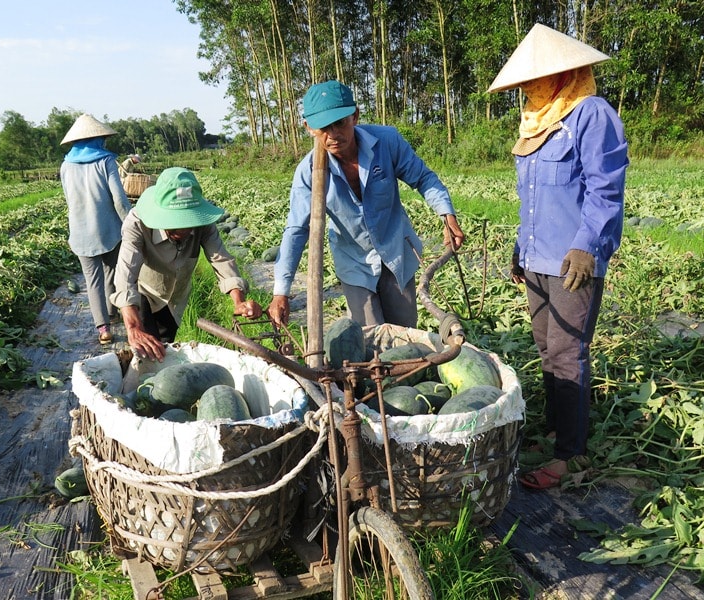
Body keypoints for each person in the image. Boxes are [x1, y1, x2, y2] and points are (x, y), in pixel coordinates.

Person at [487, 24, 628, 490]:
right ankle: (553, 429)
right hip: (536, 261)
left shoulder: (591, 114)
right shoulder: (536, 121)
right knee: (547, 348)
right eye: (527, 82)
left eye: (538, 78)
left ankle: (573, 454)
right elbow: (532, 200)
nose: (530, 88)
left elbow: (605, 190)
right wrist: (519, 250)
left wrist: (587, 244)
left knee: (568, 353)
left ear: (567, 73)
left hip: (572, 265)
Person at [267, 80, 465, 330]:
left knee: (405, 332)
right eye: (323, 128)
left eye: (340, 123)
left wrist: (447, 215)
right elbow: (296, 230)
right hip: (355, 262)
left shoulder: (386, 141)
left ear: (355, 116)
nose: (333, 134)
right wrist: (281, 291)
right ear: (309, 128)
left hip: (397, 252)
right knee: (370, 338)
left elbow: (423, 178)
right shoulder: (308, 173)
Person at [110, 167, 262, 361]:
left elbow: (220, 258)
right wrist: (132, 327)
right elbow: (125, 273)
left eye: (186, 224)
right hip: (144, 291)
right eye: (173, 225)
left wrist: (239, 301)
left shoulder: (204, 224)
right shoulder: (137, 223)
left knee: (165, 346)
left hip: (176, 295)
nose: (181, 231)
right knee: (146, 350)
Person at [59, 114, 132, 345]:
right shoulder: (106, 161)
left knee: (93, 281)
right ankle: (112, 311)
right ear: (99, 138)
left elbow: (68, 199)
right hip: (108, 229)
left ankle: (103, 329)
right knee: (113, 272)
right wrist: (131, 223)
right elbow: (119, 200)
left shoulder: (66, 165)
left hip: (80, 231)